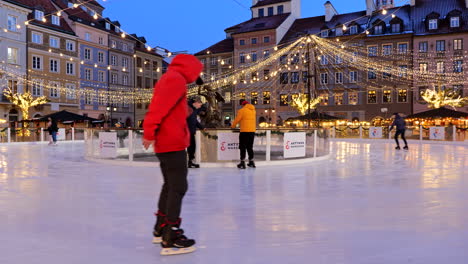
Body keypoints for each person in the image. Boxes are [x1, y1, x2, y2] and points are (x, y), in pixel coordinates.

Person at [142, 54, 202, 256]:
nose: (197, 76)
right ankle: (171, 234)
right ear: (191, 68)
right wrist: (149, 131)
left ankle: (160, 228)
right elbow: (157, 108)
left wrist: (185, 110)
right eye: (197, 71)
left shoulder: (172, 79)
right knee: (178, 187)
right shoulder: (175, 80)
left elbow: (167, 106)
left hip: (169, 140)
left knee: (169, 185)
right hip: (171, 142)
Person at [231, 100, 256, 169]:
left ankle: (242, 163)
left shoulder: (242, 110)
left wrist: (232, 126)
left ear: (243, 105)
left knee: (243, 147)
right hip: (252, 131)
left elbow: (237, 120)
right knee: (250, 147)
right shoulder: (253, 110)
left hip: (244, 131)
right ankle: (251, 162)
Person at [187, 96, 204, 168]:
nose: (200, 106)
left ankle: (190, 162)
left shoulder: (194, 110)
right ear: (196, 103)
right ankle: (189, 162)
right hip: (187, 131)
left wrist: (202, 127)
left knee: (192, 147)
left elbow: (195, 121)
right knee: (190, 147)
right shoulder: (188, 109)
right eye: (200, 104)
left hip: (191, 131)